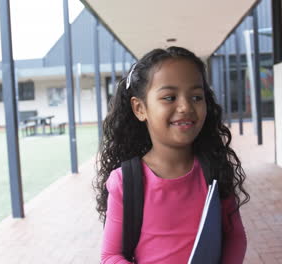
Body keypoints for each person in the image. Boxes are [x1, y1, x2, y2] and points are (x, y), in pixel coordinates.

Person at [94, 46, 250, 264]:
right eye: (169, 97)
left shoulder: (215, 169)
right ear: (140, 109)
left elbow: (235, 236)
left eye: (196, 96)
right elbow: (111, 256)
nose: (185, 106)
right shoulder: (125, 181)